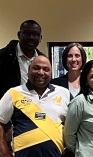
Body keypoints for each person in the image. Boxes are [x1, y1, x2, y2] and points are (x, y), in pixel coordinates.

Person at [0, 56, 70, 157]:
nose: (41, 72)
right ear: (28, 70)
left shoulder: (64, 93)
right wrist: (5, 153)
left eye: (46, 69)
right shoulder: (13, 93)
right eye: (36, 68)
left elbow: (75, 124)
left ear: (51, 73)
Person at [0, 19, 44, 155]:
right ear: (19, 35)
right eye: (27, 33)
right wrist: (6, 127)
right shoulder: (3, 57)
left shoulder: (42, 59)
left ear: (40, 38)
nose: (31, 37)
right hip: (7, 121)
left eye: (35, 34)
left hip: (34, 122)